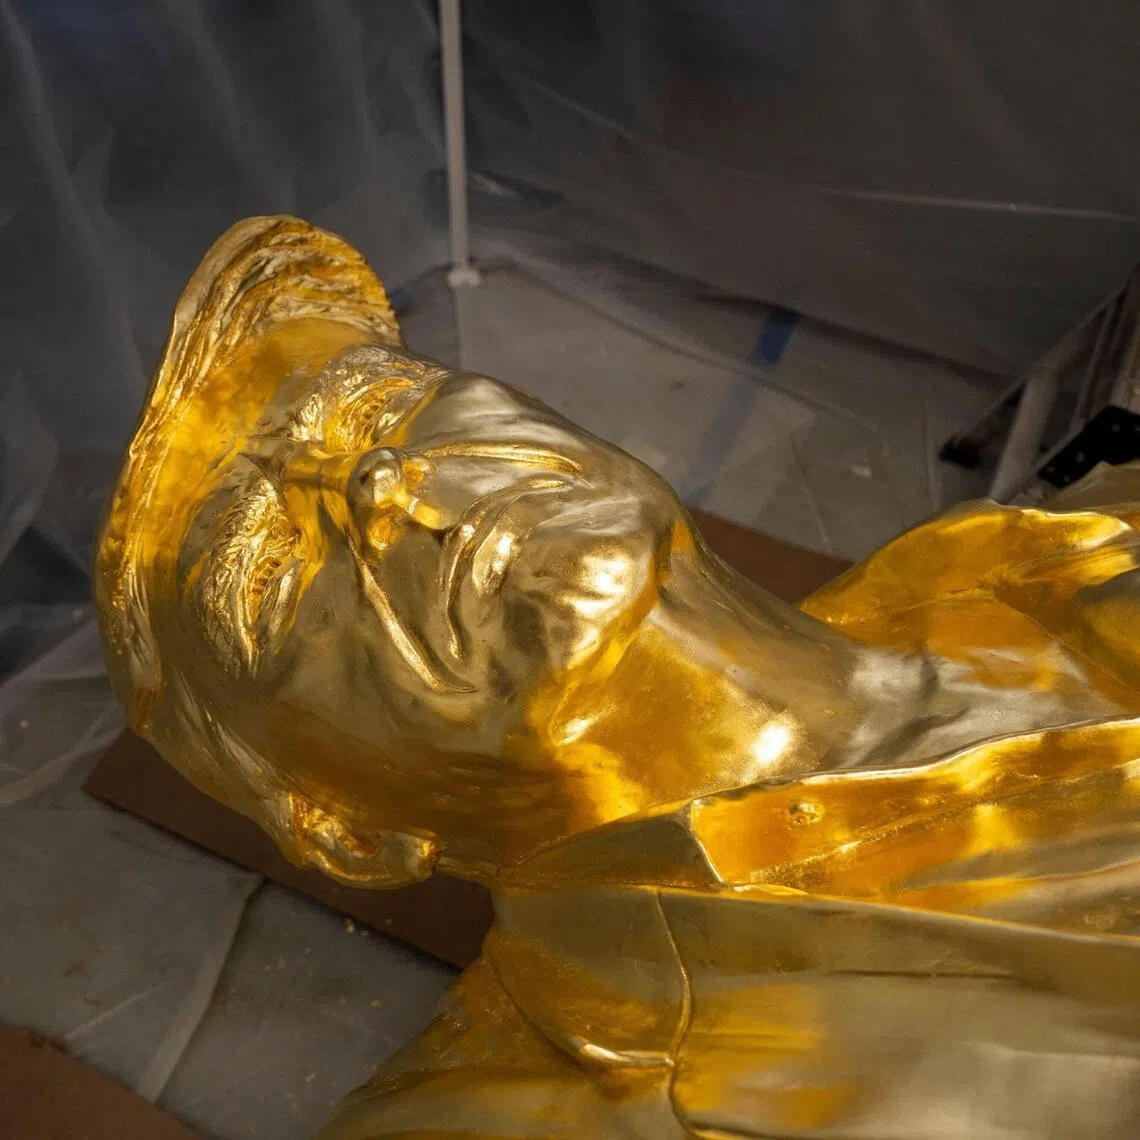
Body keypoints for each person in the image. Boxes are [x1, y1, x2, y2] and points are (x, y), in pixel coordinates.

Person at [98, 218, 1140, 1138]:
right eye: (269, 572)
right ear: (347, 831)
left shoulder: (1051, 547)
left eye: (378, 406)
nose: (375, 480)